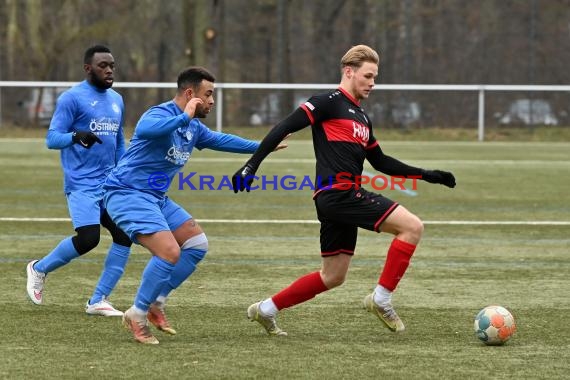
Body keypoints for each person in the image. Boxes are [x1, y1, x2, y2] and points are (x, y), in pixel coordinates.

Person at [232, 44, 456, 336]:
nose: (373, 83)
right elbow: (285, 126)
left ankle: (266, 309)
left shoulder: (362, 118)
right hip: (339, 193)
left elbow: (380, 161)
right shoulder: (327, 102)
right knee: (412, 227)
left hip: (336, 200)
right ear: (349, 72)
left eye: (375, 77)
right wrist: (252, 165)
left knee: (333, 276)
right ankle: (381, 299)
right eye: (368, 75)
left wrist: (427, 175)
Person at [102, 66, 287, 344]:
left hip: (155, 198)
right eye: (208, 94)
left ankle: (156, 302)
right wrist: (184, 116)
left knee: (196, 243)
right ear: (191, 94)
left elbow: (222, 140)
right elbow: (146, 129)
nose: (212, 101)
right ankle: (137, 314)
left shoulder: (194, 128)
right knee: (168, 252)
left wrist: (263, 146)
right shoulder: (159, 114)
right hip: (126, 193)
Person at [26, 45, 132, 317]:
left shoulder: (117, 99)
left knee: (124, 235)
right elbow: (52, 139)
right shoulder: (71, 98)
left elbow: (118, 140)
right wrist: (76, 136)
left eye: (112, 65)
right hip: (82, 183)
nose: (109, 70)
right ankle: (39, 269)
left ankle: (98, 300)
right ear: (88, 69)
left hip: (110, 183)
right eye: (102, 66)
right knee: (88, 239)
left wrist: (125, 172)